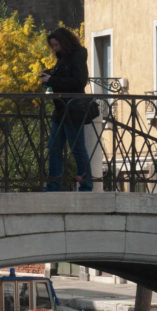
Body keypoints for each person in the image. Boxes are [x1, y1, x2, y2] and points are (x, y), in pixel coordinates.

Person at [39, 27, 93, 192]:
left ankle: (86, 184)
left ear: (64, 42)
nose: (55, 48)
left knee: (77, 146)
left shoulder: (77, 55)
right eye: (53, 46)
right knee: (54, 146)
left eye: (56, 45)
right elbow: (63, 78)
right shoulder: (62, 58)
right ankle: (53, 184)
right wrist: (49, 78)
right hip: (61, 109)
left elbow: (79, 82)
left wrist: (53, 80)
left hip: (73, 108)